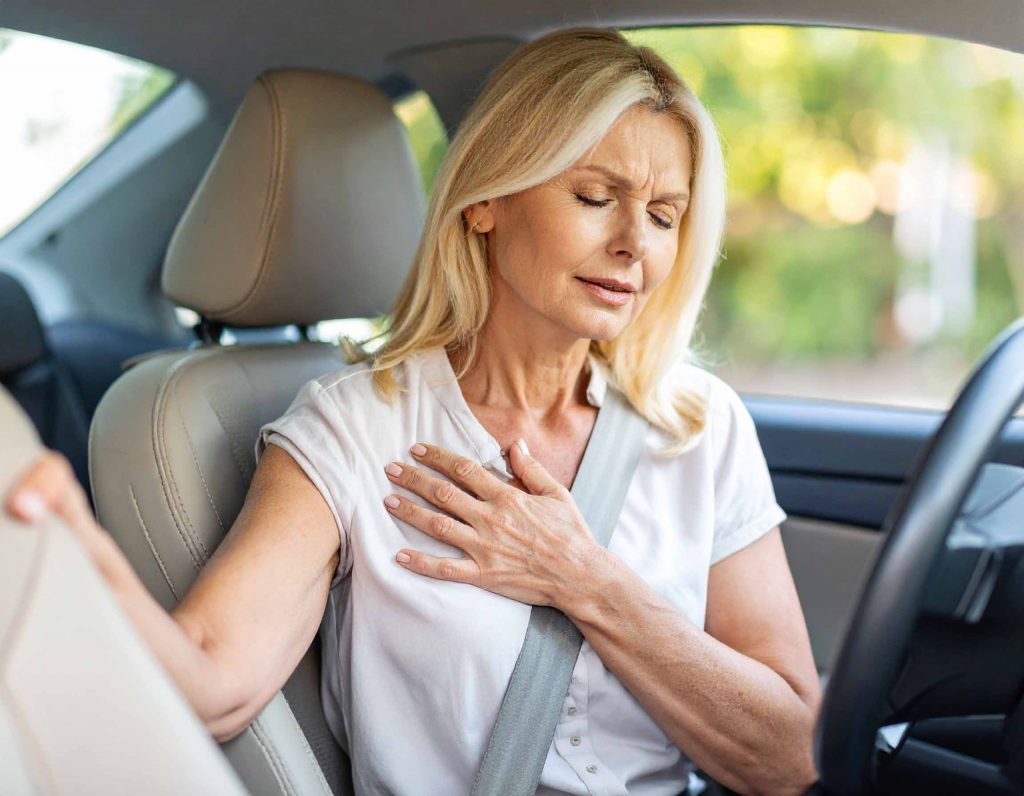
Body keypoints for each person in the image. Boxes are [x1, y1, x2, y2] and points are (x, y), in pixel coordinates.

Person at [5, 26, 820, 796]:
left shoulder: (699, 427)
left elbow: (790, 758)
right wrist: (77, 559)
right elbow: (213, 681)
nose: (635, 245)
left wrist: (588, 581)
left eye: (665, 216)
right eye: (594, 195)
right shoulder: (356, 426)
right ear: (486, 201)